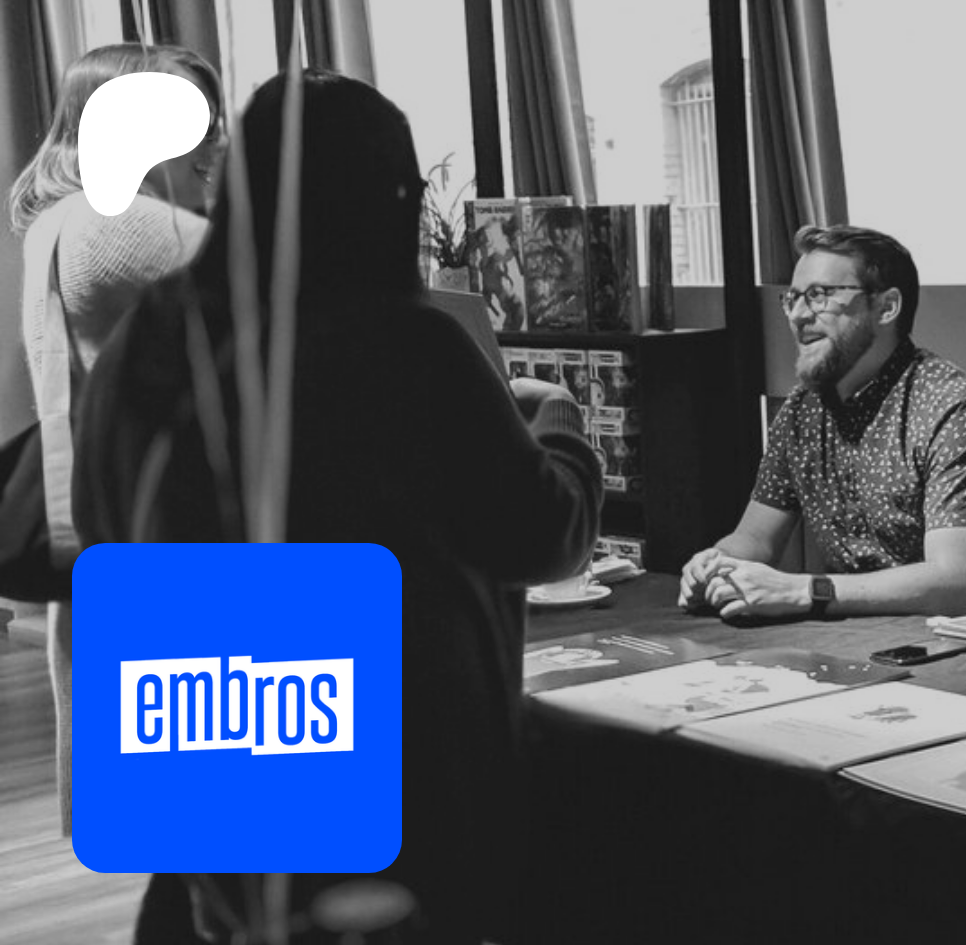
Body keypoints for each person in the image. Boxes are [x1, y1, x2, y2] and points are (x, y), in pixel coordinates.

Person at [74, 70, 604, 943]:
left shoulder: (147, 340)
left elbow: (102, 525)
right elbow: (544, 532)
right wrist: (561, 425)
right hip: (388, 793)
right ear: (384, 200)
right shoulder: (404, 342)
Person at [6, 42, 224, 840]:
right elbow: (289, 281)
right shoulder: (114, 220)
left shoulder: (56, 223)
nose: (212, 141)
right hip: (175, 548)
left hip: (120, 539)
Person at [678, 224, 966, 630]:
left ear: (886, 307)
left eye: (819, 295)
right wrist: (718, 563)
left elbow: (951, 584)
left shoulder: (955, 407)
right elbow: (756, 538)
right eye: (792, 298)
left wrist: (803, 590)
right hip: (874, 639)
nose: (798, 315)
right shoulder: (801, 410)